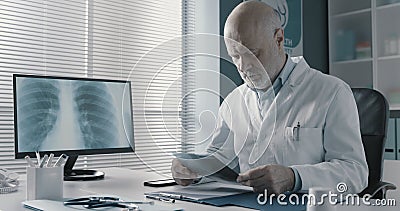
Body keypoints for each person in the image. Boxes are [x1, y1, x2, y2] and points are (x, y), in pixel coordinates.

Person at [172, 1, 368, 194]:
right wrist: (194, 170)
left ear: (279, 39)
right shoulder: (234, 101)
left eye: (253, 53)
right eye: (235, 56)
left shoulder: (332, 92)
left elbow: (355, 173)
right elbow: (220, 159)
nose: (243, 66)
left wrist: (294, 178)